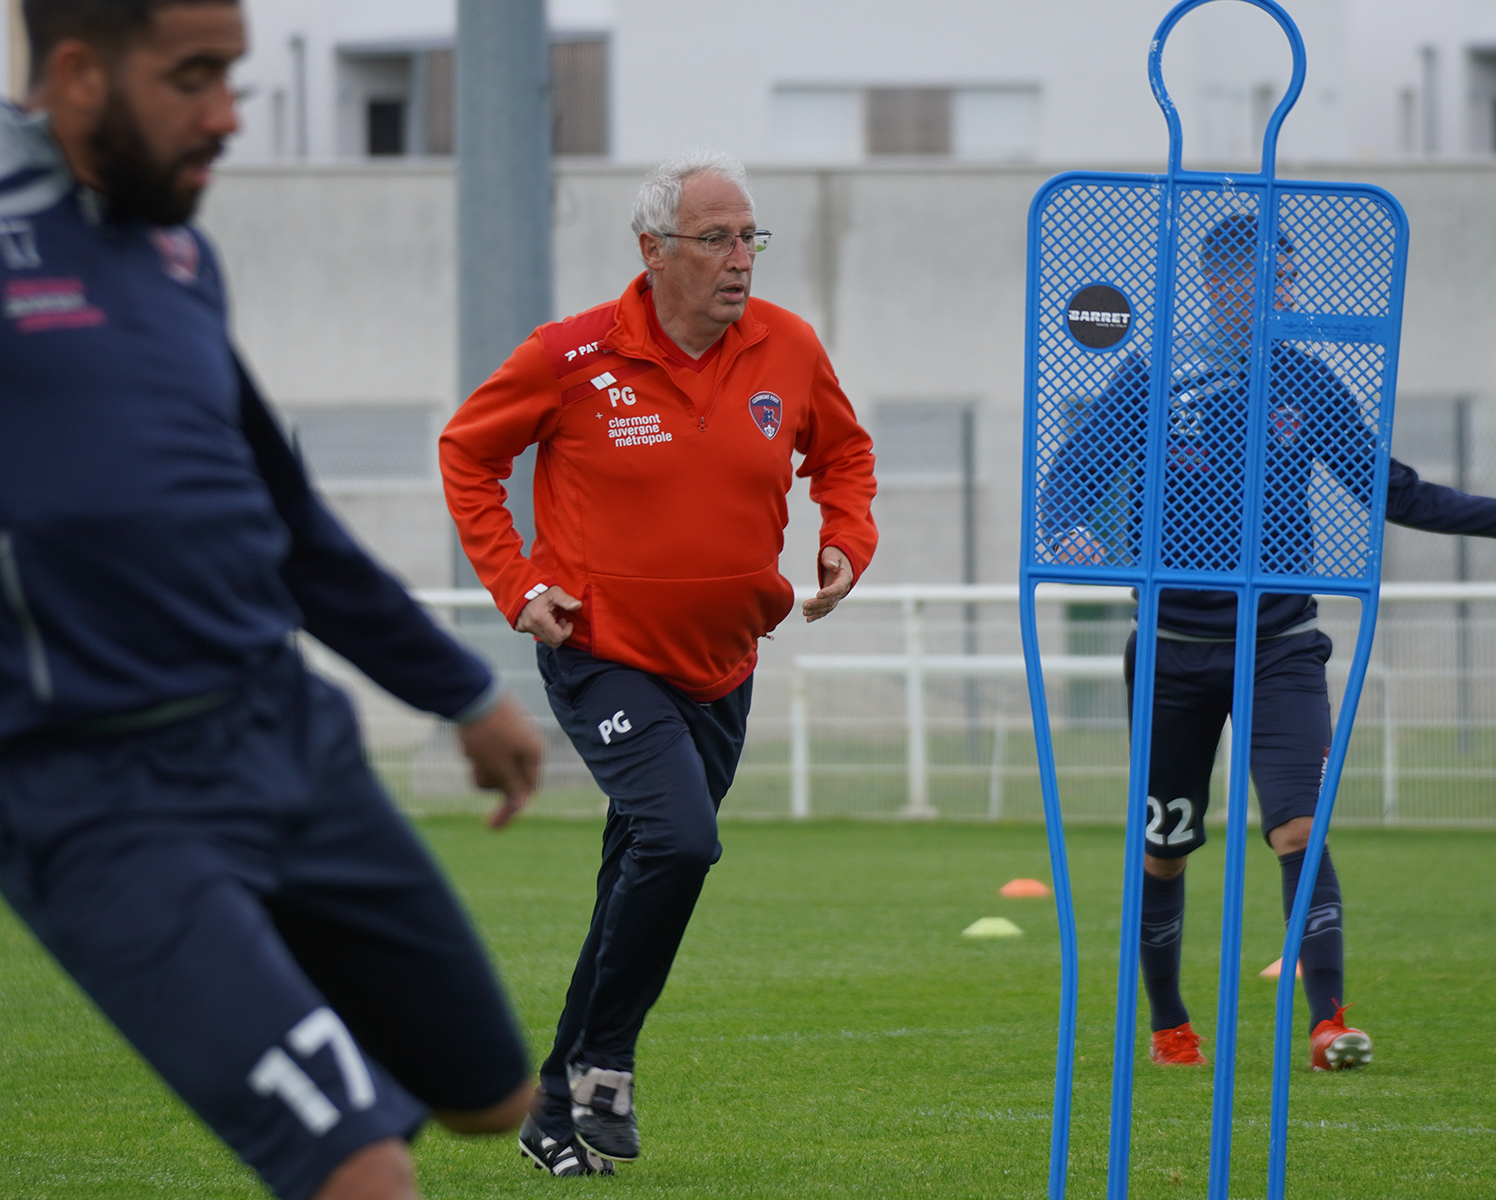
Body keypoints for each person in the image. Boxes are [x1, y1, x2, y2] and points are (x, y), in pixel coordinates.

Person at [0, 4, 548, 1198]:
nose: (228, 117)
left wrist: (460, 691)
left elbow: (287, 524)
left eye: (234, 76)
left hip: (285, 739)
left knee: (492, 1097)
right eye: (194, 78)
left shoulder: (178, 255)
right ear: (81, 74)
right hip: (97, 800)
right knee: (362, 1173)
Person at [1045, 212, 1496, 1072]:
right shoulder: (1153, 376)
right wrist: (1068, 529)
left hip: (1282, 648)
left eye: (1290, 280)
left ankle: (1329, 1020)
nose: (1281, 294)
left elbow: (1389, 489)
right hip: (1174, 654)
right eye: (1263, 277)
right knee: (1166, 848)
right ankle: (1170, 1022)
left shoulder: (1305, 380)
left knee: (1299, 827)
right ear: (1218, 283)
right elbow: (1069, 477)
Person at [440, 148, 878, 1173]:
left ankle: (555, 1108)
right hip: (604, 655)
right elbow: (468, 452)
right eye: (716, 239)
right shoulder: (571, 354)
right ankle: (605, 1062)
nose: (740, 260)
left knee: (635, 875)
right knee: (680, 842)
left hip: (725, 663)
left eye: (749, 239)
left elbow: (844, 455)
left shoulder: (788, 347)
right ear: (652, 250)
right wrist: (519, 584)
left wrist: (843, 541)